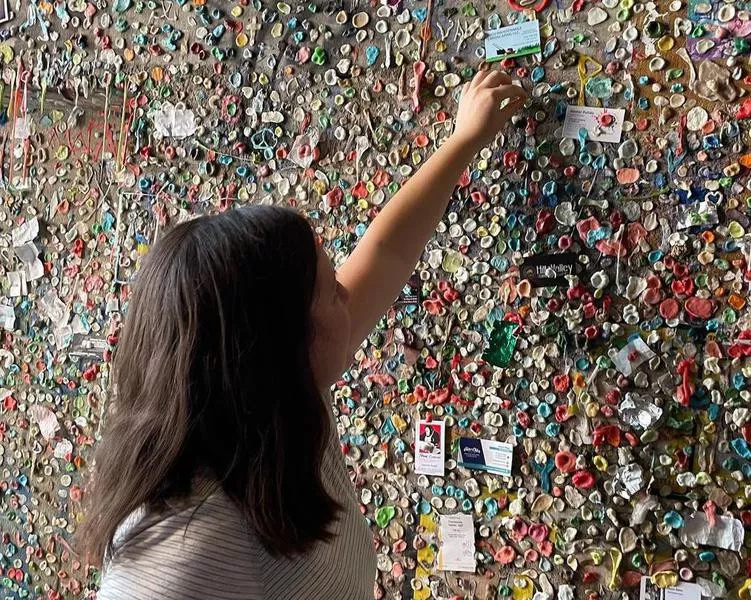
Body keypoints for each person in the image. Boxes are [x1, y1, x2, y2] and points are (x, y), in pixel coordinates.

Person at [80, 69, 526, 600]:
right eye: (330, 288)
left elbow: (385, 254)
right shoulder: (175, 563)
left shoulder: (268, 415)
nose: (347, 293)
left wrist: (463, 141)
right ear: (279, 343)